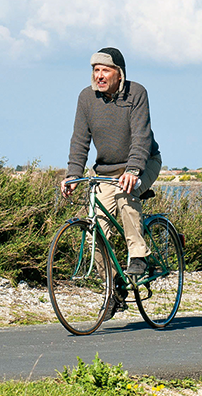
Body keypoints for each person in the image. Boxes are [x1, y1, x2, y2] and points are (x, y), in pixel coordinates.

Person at [61, 47, 162, 319]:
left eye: (105, 70)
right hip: (106, 171)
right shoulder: (86, 98)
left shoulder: (136, 93)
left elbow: (141, 137)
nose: (99, 75)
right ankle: (114, 289)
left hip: (144, 162)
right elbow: (79, 140)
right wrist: (72, 174)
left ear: (119, 73)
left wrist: (133, 169)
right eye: (96, 70)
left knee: (125, 193)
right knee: (94, 231)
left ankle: (138, 256)